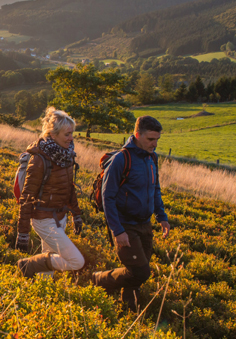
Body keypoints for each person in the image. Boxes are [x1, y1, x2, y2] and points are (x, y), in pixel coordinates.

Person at [92, 116, 170, 312]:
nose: (155, 144)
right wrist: (117, 231)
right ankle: (99, 279)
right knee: (141, 271)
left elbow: (155, 188)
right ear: (137, 135)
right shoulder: (121, 159)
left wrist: (162, 217)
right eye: (151, 139)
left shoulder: (152, 157)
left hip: (145, 223)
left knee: (137, 270)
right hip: (124, 224)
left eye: (157, 139)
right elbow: (107, 197)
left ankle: (129, 308)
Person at [16, 107, 85, 278]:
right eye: (67, 134)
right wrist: (23, 232)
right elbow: (27, 196)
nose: (71, 138)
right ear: (53, 135)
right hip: (43, 219)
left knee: (46, 272)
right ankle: (27, 265)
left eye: (72, 133)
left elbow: (69, 189)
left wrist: (76, 214)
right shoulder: (39, 159)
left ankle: (39, 293)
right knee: (77, 261)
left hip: (60, 217)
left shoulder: (67, 155)